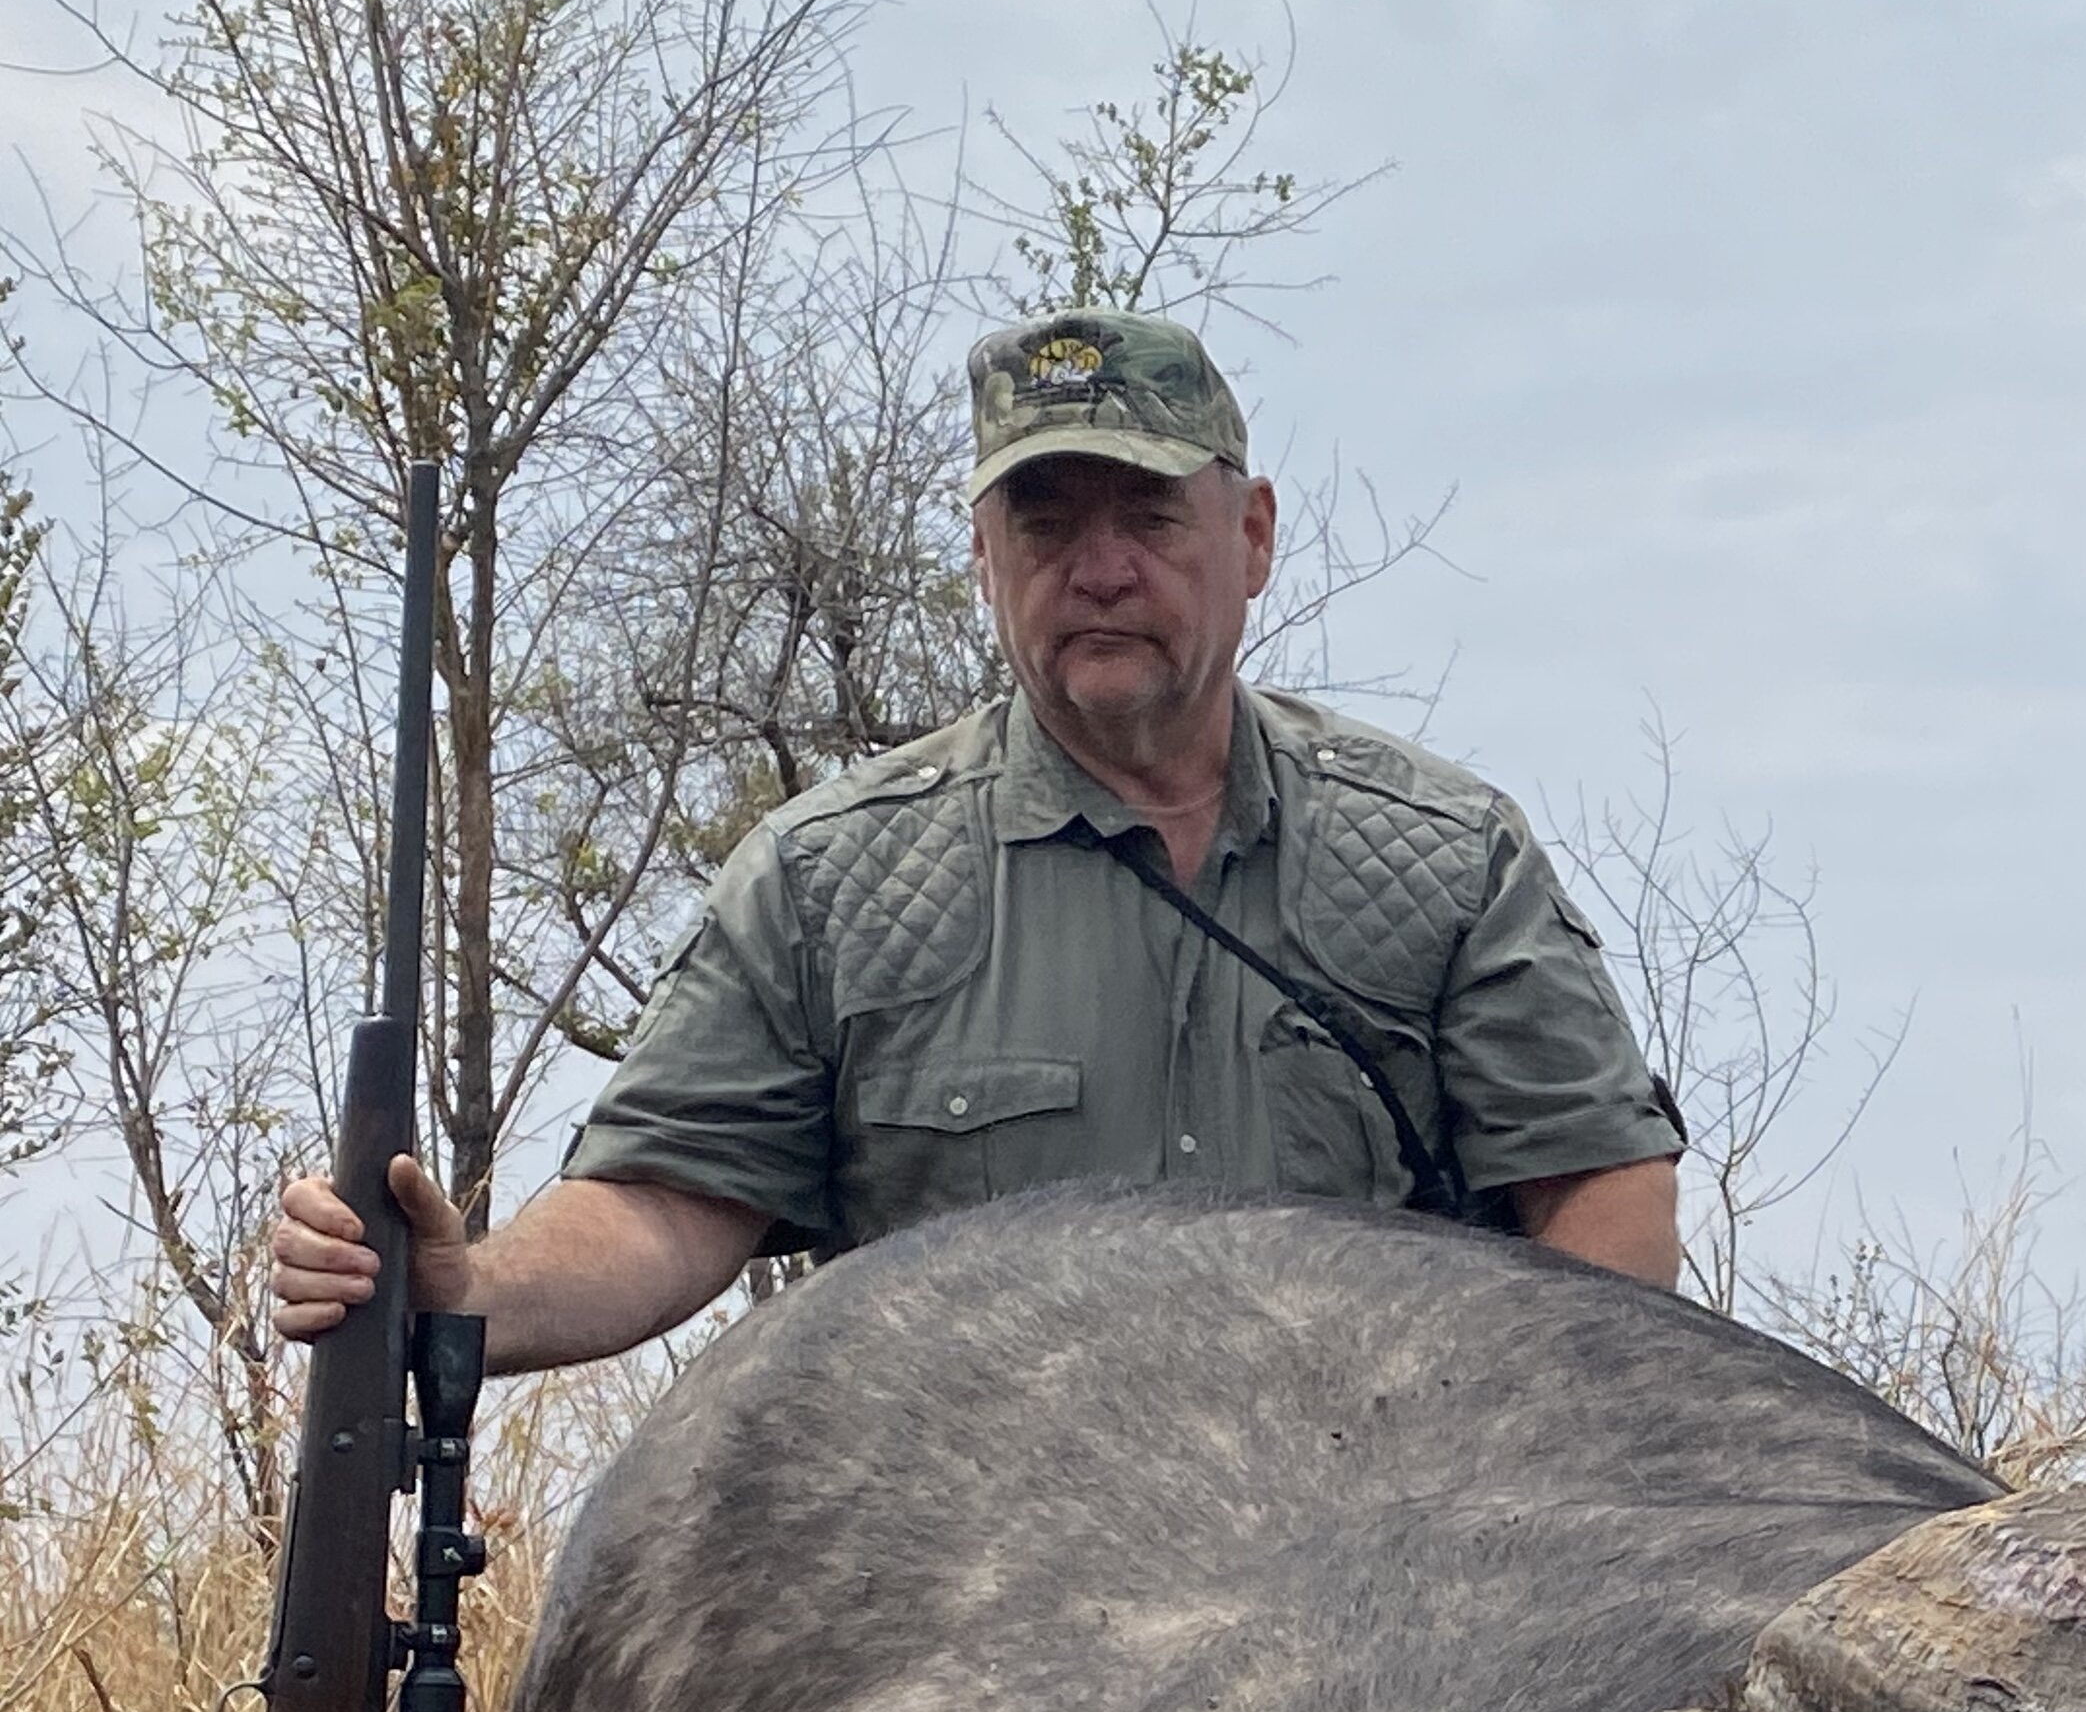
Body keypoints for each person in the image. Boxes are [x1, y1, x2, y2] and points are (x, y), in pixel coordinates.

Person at [274, 308, 1684, 1366]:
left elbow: (1602, 1190)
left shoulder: (1446, 858)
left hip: (1365, 1565)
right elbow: (660, 1209)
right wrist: (464, 1288)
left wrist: (1497, 1455)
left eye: (1147, 511)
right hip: (968, 1612)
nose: (1102, 566)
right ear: (984, 559)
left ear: (1250, 534)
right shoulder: (828, 882)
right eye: (1046, 520)